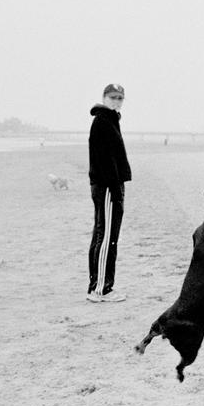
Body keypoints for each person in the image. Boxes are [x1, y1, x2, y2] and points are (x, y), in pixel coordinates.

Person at [86, 83, 132, 302]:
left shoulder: (110, 120)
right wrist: (114, 188)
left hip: (107, 185)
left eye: (120, 98)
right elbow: (104, 161)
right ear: (104, 98)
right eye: (113, 97)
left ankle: (97, 285)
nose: (117, 101)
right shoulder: (103, 122)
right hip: (107, 186)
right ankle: (102, 289)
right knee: (107, 238)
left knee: (102, 234)